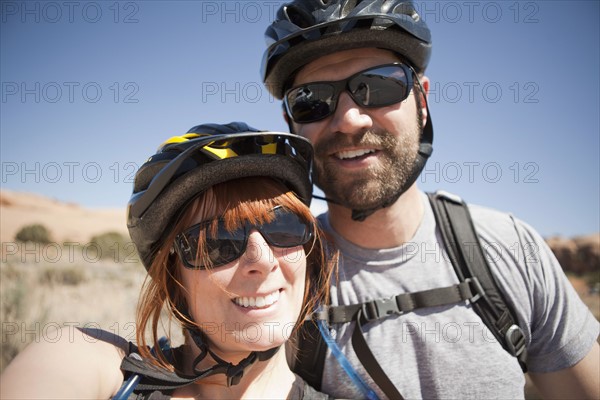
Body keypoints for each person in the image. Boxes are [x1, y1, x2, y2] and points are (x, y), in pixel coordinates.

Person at [260, 1, 600, 399]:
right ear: (292, 124)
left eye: (379, 85)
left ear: (422, 100)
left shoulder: (509, 248)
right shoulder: (276, 281)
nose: (350, 119)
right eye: (311, 100)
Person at [0, 122, 335, 399]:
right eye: (217, 241)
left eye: (286, 228)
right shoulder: (104, 371)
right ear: (174, 275)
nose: (261, 259)